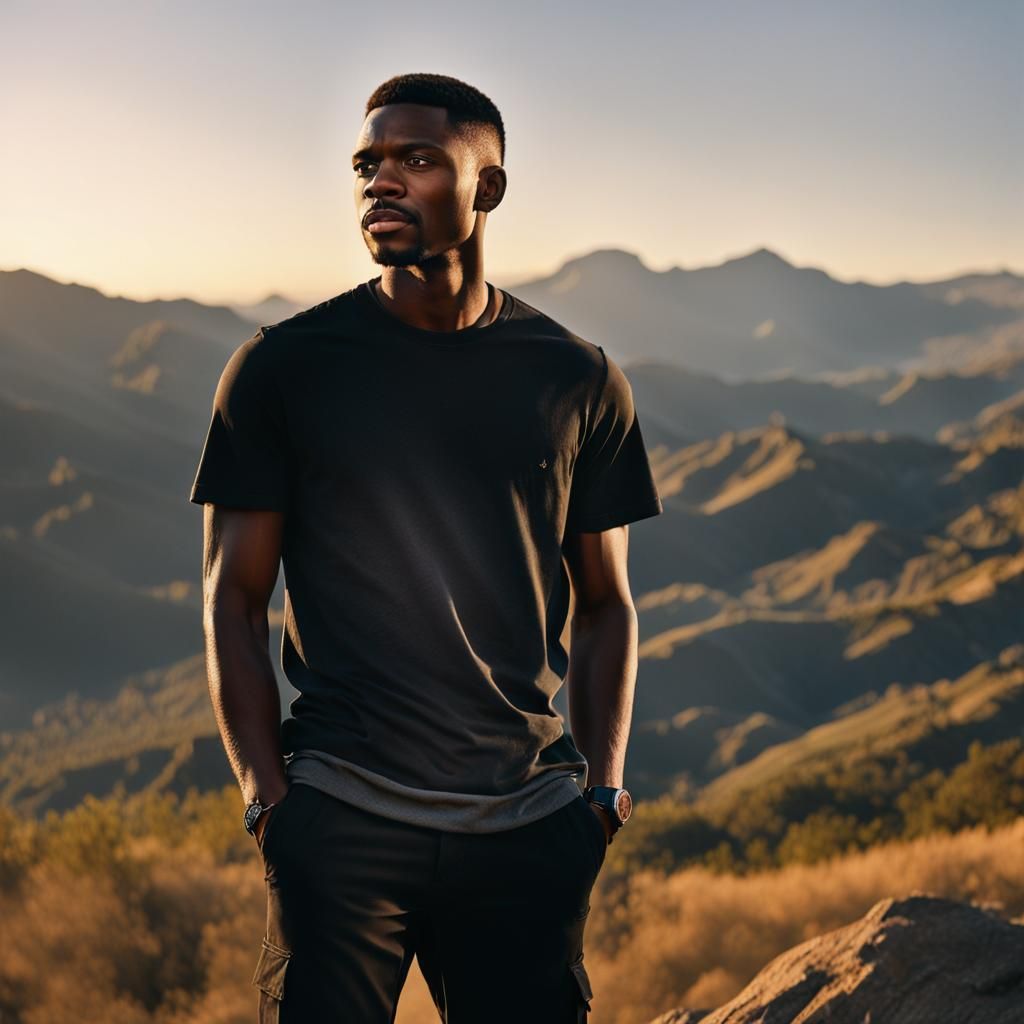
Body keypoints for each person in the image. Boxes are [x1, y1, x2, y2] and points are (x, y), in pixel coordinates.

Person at [189, 71, 663, 1023]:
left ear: (486, 188)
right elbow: (232, 600)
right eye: (367, 165)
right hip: (341, 823)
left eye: (416, 160)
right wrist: (269, 806)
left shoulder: (579, 380)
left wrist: (602, 796)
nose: (381, 184)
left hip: (528, 829)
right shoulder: (281, 369)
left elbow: (608, 602)